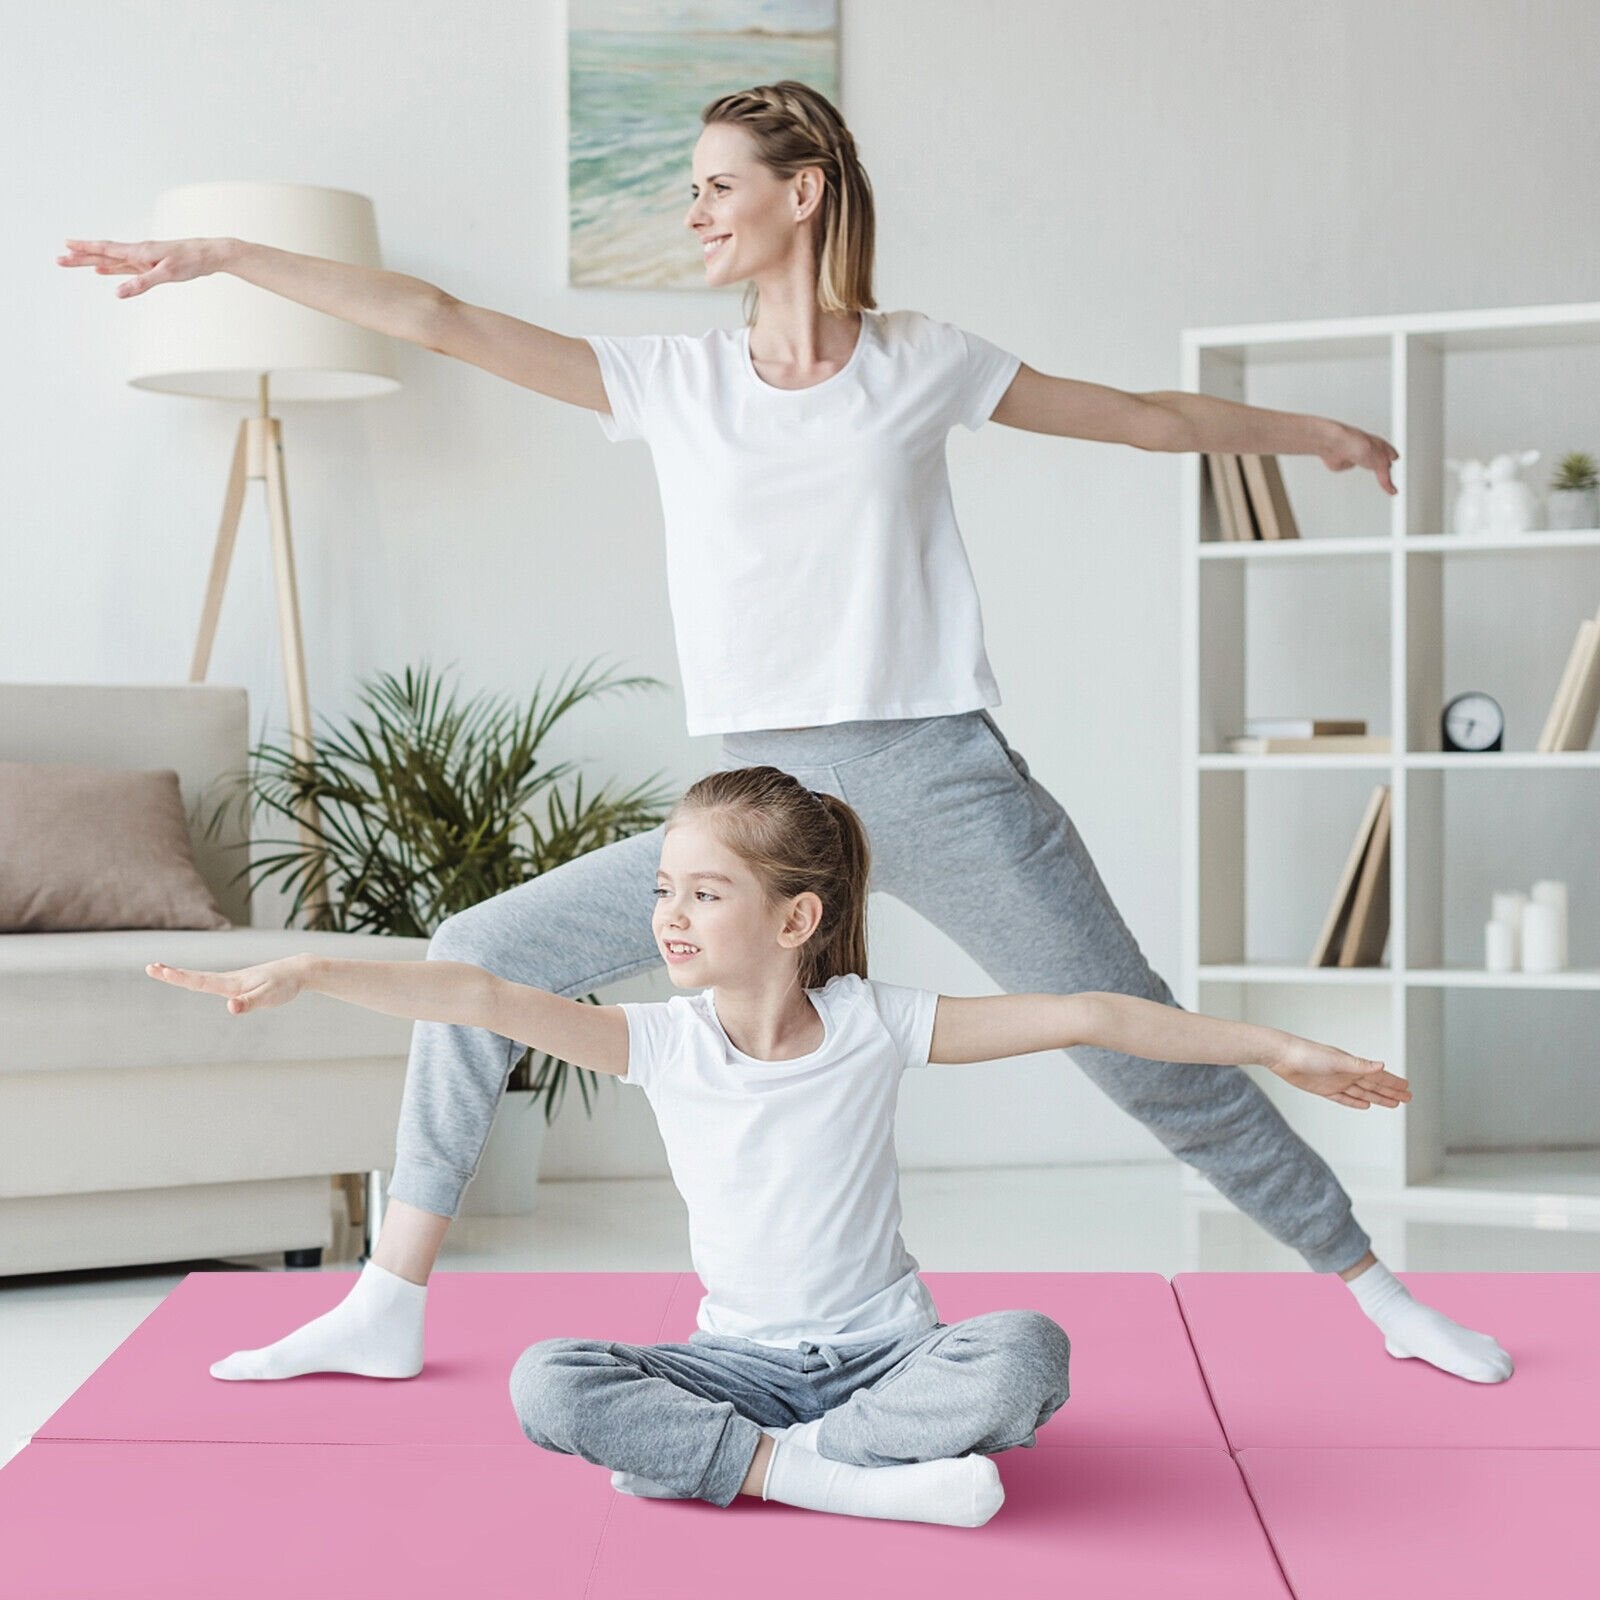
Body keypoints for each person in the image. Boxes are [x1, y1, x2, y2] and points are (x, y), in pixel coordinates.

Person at [64, 79, 1512, 1389]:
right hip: (755, 804)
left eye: (713, 185)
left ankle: (1377, 1288)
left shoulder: (922, 359)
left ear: (801, 189)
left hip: (936, 770)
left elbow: (1132, 417)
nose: (690, 211)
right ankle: (389, 1298)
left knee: (1140, 1050)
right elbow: (442, 319)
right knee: (476, 956)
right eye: (687, 187)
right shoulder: (670, 382)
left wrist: (1310, 436)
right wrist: (232, 257)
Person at [150, 767, 1419, 1526]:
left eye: (703, 892)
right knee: (547, 1380)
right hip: (736, 1367)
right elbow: (475, 992)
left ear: (796, 916)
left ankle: (761, 1472)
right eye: (663, 889)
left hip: (887, 1352)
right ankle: (833, 1478)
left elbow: (1089, 1011)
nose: (669, 915)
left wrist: (1276, 1048)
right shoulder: (660, 1041)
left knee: (1026, 1352)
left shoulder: (876, 1025)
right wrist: (311, 967)